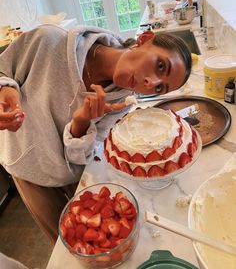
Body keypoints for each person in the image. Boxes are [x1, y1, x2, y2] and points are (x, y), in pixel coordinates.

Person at [0, 25, 192, 243]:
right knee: (62, 244)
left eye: (160, 88)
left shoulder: (120, 101)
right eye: (160, 66)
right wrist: (6, 89)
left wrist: (81, 122)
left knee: (87, 244)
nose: (151, 83)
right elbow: (3, 69)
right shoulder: (48, 42)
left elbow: (79, 158)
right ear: (145, 39)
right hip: (29, 166)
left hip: (74, 175)